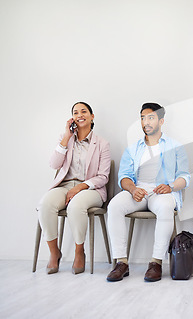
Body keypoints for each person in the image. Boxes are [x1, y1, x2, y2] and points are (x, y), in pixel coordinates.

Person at [106, 102, 190, 282]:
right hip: (138, 190)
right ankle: (121, 262)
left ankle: (156, 262)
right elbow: (124, 177)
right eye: (143, 118)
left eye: (151, 117)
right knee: (114, 206)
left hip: (162, 192)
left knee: (166, 207)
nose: (146, 122)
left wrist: (171, 187)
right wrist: (132, 188)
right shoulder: (133, 149)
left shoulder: (175, 147)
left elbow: (184, 177)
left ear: (161, 121)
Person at [37, 102, 111, 275]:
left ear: (92, 117)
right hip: (65, 185)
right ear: (72, 118)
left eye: (84, 111)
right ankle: (54, 252)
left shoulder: (102, 144)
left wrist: (80, 188)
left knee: (76, 206)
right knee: (45, 204)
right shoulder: (66, 139)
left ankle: (79, 251)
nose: (80, 115)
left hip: (91, 189)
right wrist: (66, 136)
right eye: (75, 112)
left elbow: (103, 177)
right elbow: (54, 164)